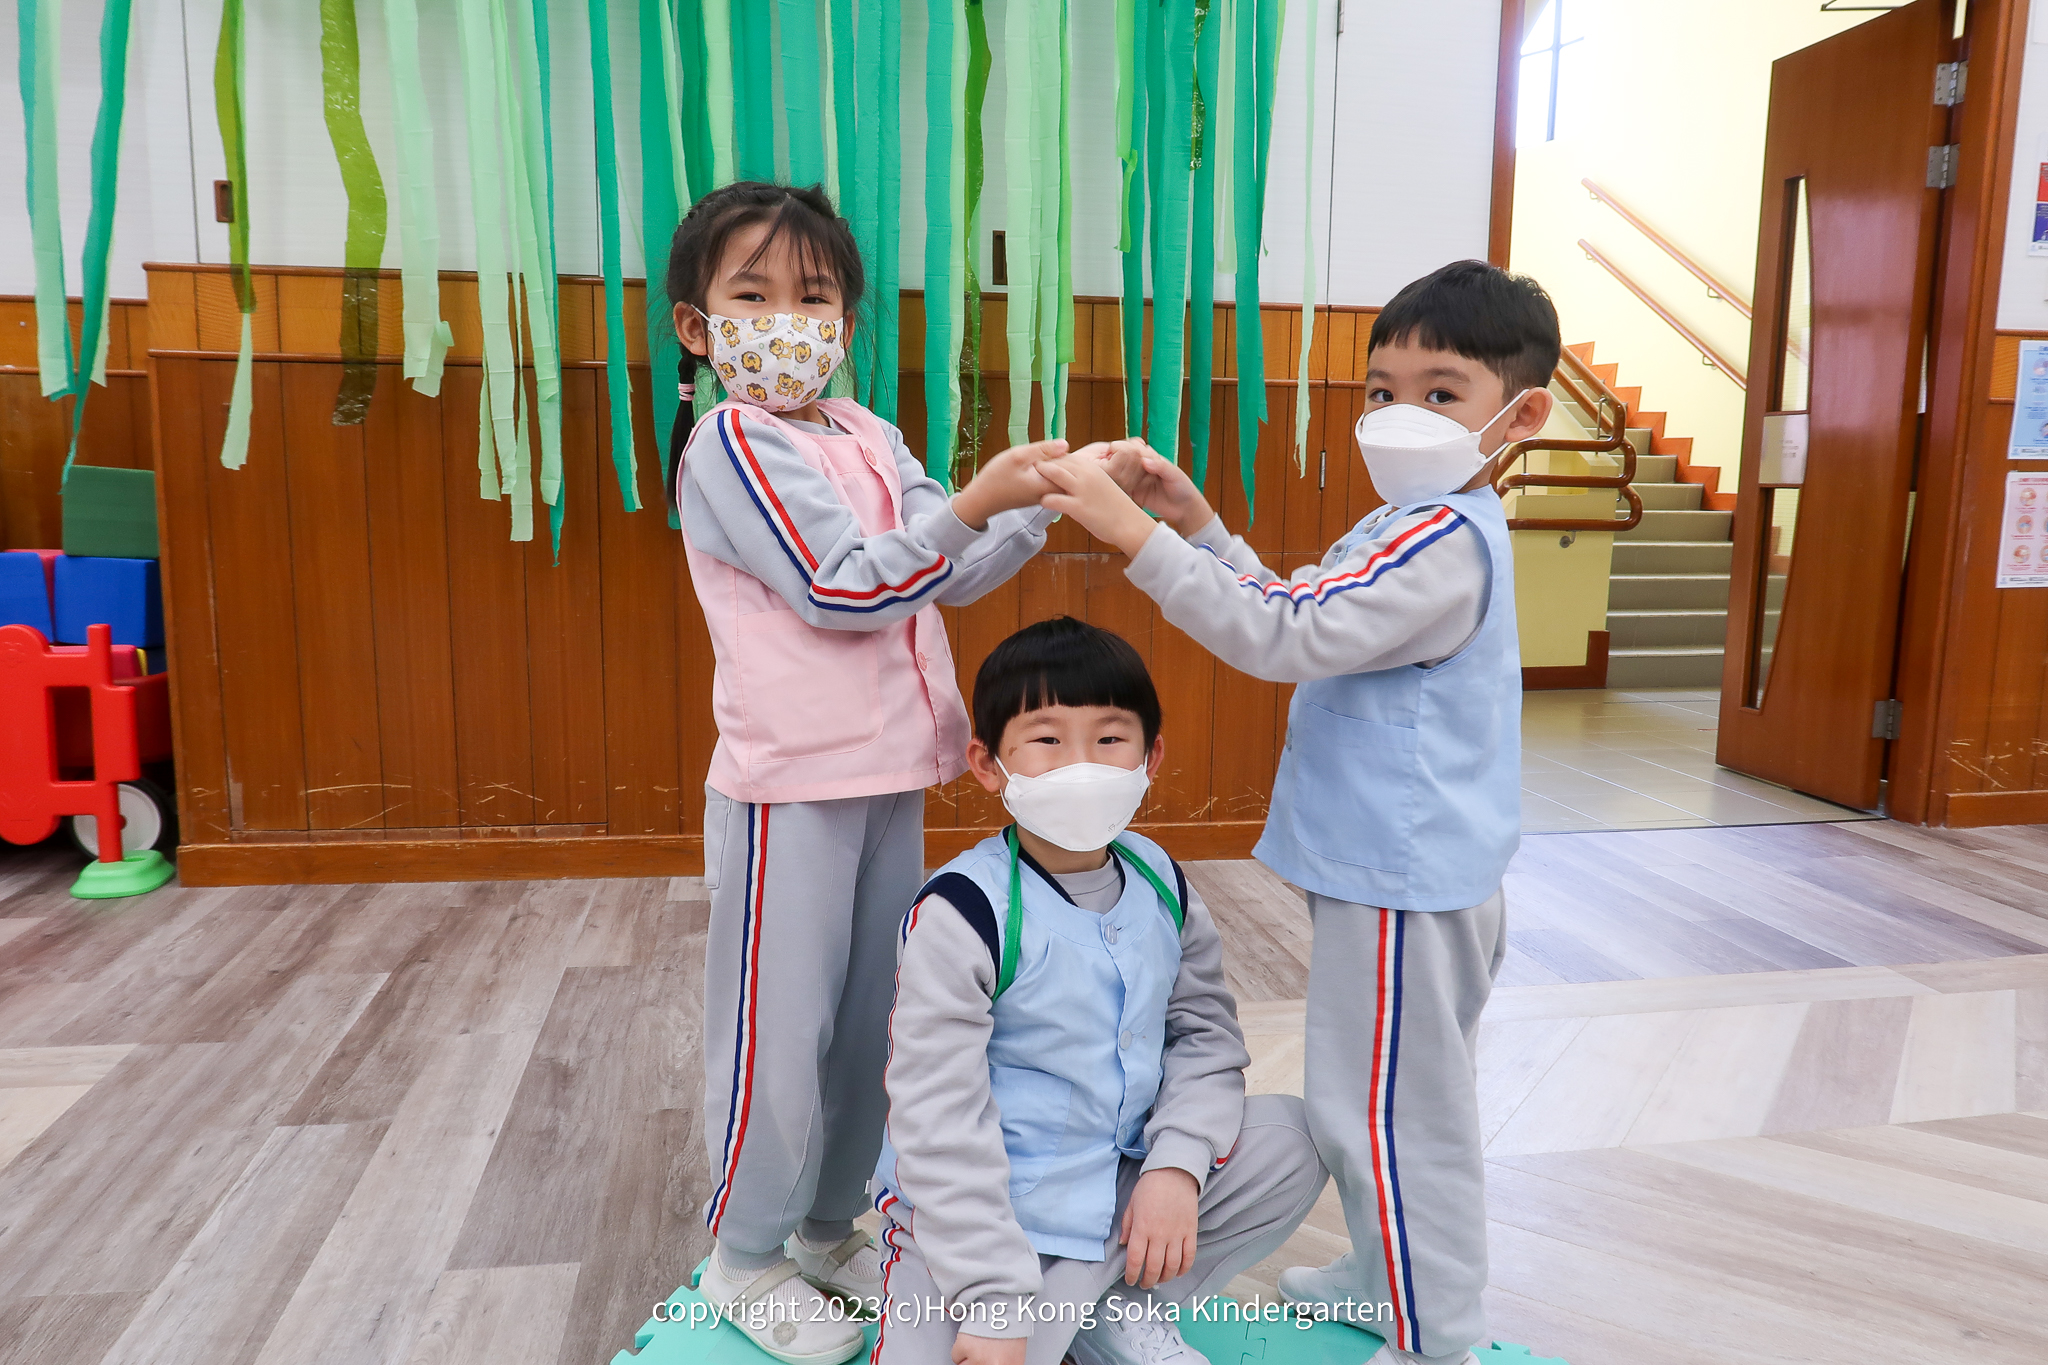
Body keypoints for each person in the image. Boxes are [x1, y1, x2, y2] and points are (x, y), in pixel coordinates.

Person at [1034, 261, 1560, 1365]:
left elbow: (1281, 636)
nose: (1400, 414)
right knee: (1385, 1095)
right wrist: (1197, 524)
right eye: (1381, 390)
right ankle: (1383, 1276)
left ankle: (1434, 1335)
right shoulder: (1411, 523)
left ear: (1520, 417)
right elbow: (1296, 601)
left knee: (1392, 1116)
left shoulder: (1437, 539)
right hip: (1397, 871)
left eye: (1441, 392)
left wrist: (1138, 538)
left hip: (1405, 881)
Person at [668, 182, 1107, 1365]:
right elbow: (839, 586)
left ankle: (827, 1226)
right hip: (790, 791)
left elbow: (943, 570)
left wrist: (1036, 501)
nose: (787, 319)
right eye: (752, 294)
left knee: (875, 1021)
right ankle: (742, 1254)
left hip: (888, 774)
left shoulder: (868, 432)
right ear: (697, 326)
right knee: (778, 1034)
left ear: (846, 322)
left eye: (812, 296)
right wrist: (974, 503)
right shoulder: (732, 443)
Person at [870, 617, 1327, 1365]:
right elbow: (937, 1118)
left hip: (1119, 1193)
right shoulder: (964, 911)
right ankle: (1064, 1308)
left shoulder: (1161, 880)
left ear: (1151, 757)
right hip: (987, 1218)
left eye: (1110, 738)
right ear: (989, 764)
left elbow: (1205, 1038)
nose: (1081, 764)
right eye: (1047, 739)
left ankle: (1125, 1308)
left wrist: (1176, 1165)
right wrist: (992, 1299)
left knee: (1296, 1139)